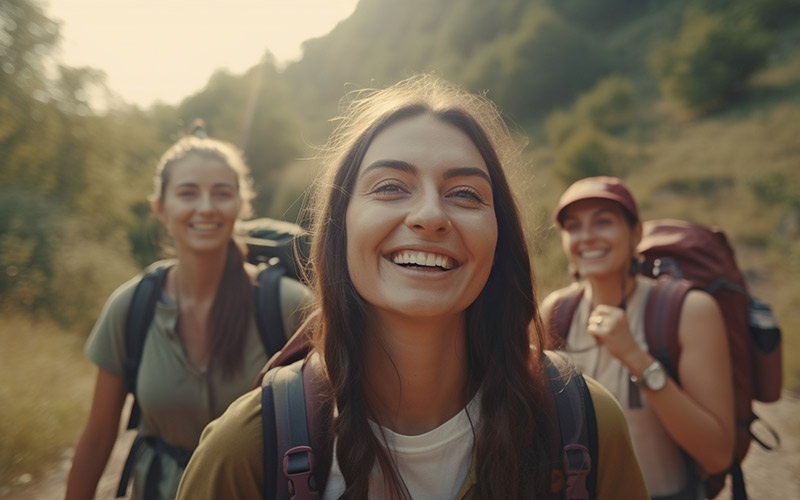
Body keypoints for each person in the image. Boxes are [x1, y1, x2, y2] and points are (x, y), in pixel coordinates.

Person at [175, 75, 648, 499]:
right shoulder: (247, 450)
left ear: (499, 236)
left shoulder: (581, 427)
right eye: (390, 187)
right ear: (341, 228)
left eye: (464, 193)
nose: (429, 216)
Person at [64, 128, 312, 500]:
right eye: (187, 193)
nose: (206, 207)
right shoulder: (131, 306)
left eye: (222, 193)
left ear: (242, 206)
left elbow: (331, 425)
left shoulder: (288, 305)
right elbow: (99, 437)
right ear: (160, 209)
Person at [541, 176, 735, 500]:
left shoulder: (689, 310)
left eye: (603, 222)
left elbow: (717, 456)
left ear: (637, 233)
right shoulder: (557, 312)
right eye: (573, 226)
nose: (586, 237)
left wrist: (636, 358)